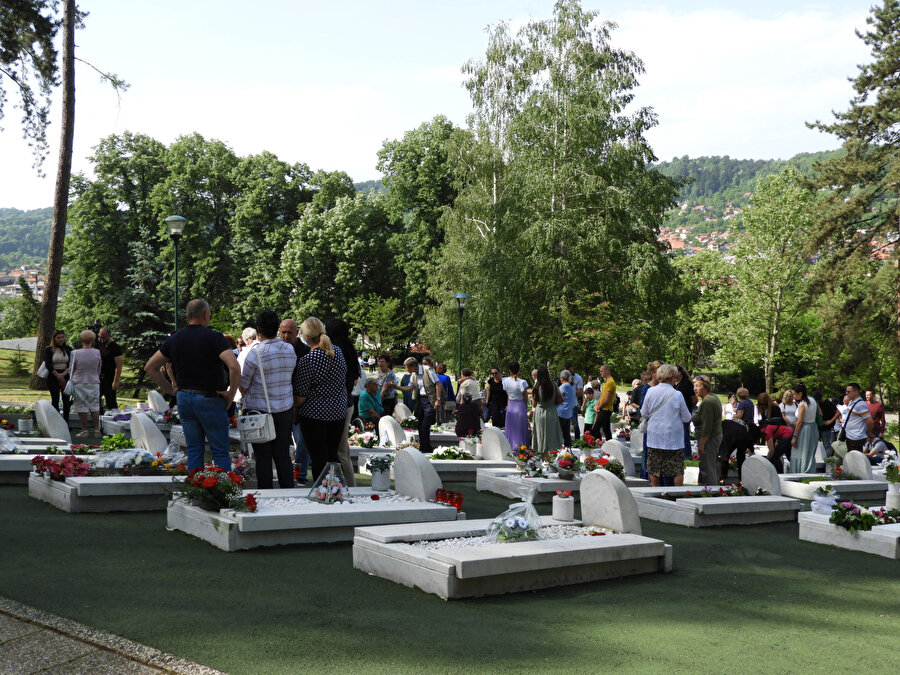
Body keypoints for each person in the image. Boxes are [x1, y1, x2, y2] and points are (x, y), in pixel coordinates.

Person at [145, 299, 241, 472]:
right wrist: (231, 394)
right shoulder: (215, 338)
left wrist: (170, 389)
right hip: (210, 398)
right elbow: (234, 367)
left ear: (188, 315)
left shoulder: (175, 338)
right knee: (219, 451)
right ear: (206, 314)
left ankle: (196, 485)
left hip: (184, 398)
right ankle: (223, 486)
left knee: (194, 449)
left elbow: (150, 367)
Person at [239, 310, 296, 489]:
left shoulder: (255, 354)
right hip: (285, 409)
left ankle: (265, 494)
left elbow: (243, 385)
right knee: (283, 455)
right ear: (277, 329)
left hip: (259, 412)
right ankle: (288, 493)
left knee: (262, 458)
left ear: (258, 330)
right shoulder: (289, 349)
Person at [293, 317, 348, 481]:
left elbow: (301, 395)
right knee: (332, 456)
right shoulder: (338, 352)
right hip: (338, 412)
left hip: (314, 415)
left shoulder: (308, 360)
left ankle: (322, 489)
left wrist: (293, 405)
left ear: (306, 337)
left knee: (318, 457)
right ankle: (335, 488)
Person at [641, 364, 691, 487]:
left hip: (654, 438)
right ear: (673, 377)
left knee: (654, 469)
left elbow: (644, 413)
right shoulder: (677, 394)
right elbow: (687, 417)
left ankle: (655, 492)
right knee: (677, 471)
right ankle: (677, 494)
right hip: (673, 440)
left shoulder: (650, 391)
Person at [325, 318, 359, 486]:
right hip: (348, 402)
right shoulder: (350, 351)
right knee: (342, 449)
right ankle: (347, 484)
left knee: (341, 451)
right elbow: (355, 381)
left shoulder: (335, 352)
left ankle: (350, 486)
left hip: (339, 404)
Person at [278, 319, 311, 484]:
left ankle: (300, 474)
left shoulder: (306, 352)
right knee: (282, 441)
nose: (285, 336)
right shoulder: (277, 349)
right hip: (281, 402)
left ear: (297, 333)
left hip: (301, 402)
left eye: (289, 332)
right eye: (283, 332)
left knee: (302, 441)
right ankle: (286, 472)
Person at [399, 356, 443, 454]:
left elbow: (438, 384)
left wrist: (438, 400)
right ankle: (423, 447)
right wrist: (397, 387)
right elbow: (410, 388)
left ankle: (427, 448)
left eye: (408, 368)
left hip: (429, 399)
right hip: (420, 400)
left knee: (425, 425)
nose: (407, 370)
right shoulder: (413, 375)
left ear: (414, 366)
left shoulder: (428, 370)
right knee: (419, 425)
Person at [68, 330, 103, 436]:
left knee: (81, 405)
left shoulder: (75, 353)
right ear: (93, 340)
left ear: (81, 340)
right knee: (94, 405)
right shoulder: (97, 352)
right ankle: (96, 429)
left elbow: (71, 368)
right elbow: (99, 366)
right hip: (93, 381)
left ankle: (84, 429)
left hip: (79, 381)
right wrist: (96, 375)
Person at [691, 375, 722, 485]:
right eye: (694, 386)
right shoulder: (713, 398)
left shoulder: (707, 402)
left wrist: (702, 444)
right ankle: (712, 489)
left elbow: (707, 425)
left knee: (709, 468)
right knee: (711, 465)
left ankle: (711, 491)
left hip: (709, 439)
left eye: (697, 386)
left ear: (705, 387)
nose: (695, 389)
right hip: (714, 437)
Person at [531, 366, 564, 457]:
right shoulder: (554, 385)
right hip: (551, 411)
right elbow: (560, 399)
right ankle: (553, 457)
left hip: (540, 412)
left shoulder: (536, 386)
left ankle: (545, 458)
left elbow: (534, 404)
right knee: (552, 435)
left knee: (541, 436)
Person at [43, 330, 73, 422]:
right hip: (53, 376)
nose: (61, 339)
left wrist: (63, 374)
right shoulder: (49, 349)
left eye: (62, 337)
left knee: (66, 400)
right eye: (58, 338)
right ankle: (56, 422)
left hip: (65, 376)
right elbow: (48, 364)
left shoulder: (69, 349)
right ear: (54, 339)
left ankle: (66, 422)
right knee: (55, 399)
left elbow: (71, 363)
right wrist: (57, 375)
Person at [789, 383, 818, 473]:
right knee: (809, 453)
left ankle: (800, 472)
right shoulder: (812, 400)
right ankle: (809, 471)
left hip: (804, 429)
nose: (793, 396)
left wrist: (794, 437)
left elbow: (799, 422)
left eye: (794, 394)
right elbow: (820, 413)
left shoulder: (802, 404)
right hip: (813, 427)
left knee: (800, 452)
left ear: (800, 394)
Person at [503, 361, 529, 450]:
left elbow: (508, 395)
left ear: (510, 370)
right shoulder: (522, 382)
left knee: (511, 428)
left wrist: (508, 405)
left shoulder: (505, 381)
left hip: (510, 406)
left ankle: (511, 447)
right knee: (520, 428)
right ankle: (521, 448)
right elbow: (525, 397)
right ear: (519, 370)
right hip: (520, 406)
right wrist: (525, 406)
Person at [96, 327, 123, 412]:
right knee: (96, 401)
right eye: (100, 337)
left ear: (109, 336)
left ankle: (113, 413)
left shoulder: (115, 347)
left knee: (111, 401)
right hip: (98, 377)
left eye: (103, 337)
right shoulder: (98, 346)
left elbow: (119, 366)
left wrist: (116, 381)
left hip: (110, 378)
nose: (101, 339)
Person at [759, 406, 793, 473]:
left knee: (775, 457)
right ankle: (796, 471)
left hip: (787, 434)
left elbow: (771, 450)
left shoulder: (766, 432)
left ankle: (780, 474)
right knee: (789, 456)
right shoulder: (766, 428)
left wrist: (766, 461)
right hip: (789, 432)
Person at [842, 383, 873, 452]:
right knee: (850, 456)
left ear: (856, 392)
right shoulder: (852, 401)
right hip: (850, 436)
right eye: (846, 391)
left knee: (855, 457)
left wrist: (867, 432)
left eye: (848, 392)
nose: (846, 393)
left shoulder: (860, 404)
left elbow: (870, 421)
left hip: (856, 438)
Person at [674, 365, 697, 459]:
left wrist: (688, 408)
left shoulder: (687, 383)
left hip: (685, 412)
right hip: (676, 413)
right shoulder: (675, 383)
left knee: (685, 434)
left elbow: (694, 399)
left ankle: (687, 454)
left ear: (679, 372)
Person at [591, 364, 616, 441]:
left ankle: (587, 445)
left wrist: (599, 407)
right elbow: (602, 396)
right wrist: (596, 405)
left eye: (601, 371)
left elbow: (606, 400)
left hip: (605, 409)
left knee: (595, 429)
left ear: (607, 371)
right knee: (606, 429)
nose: (600, 373)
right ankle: (610, 444)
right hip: (604, 409)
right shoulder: (606, 382)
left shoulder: (610, 382)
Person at [814, 390, 839, 457]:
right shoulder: (816, 404)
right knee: (815, 444)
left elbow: (838, 412)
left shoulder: (828, 403)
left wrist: (831, 421)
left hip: (826, 428)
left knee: (827, 445)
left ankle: (827, 460)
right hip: (818, 427)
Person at [564, 362, 584, 440]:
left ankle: (577, 440)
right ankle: (566, 440)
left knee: (574, 423)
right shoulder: (564, 377)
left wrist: (569, 392)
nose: (567, 372)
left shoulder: (578, 378)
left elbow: (580, 392)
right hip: (564, 404)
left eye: (569, 370)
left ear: (572, 368)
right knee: (565, 424)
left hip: (573, 404)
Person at [557, 370, 576, 447]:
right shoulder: (572, 386)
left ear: (562, 378)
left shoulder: (563, 386)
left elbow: (557, 397)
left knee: (559, 433)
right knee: (566, 433)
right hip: (568, 413)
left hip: (561, 412)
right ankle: (568, 448)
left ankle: (559, 449)